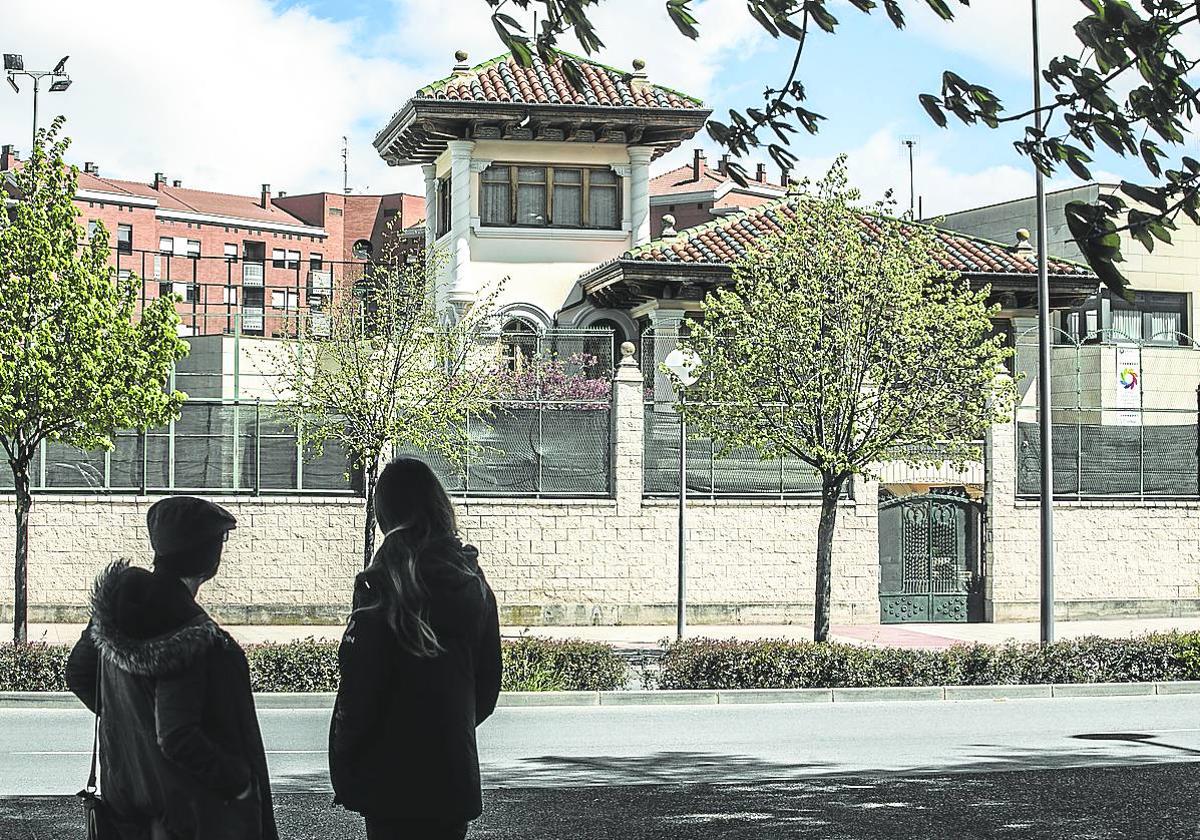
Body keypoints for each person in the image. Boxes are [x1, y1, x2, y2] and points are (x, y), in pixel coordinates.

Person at [66, 496, 277, 840]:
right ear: (210, 557)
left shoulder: (117, 610)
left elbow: (78, 673)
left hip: (127, 804)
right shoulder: (188, 632)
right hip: (186, 816)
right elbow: (178, 735)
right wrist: (237, 781)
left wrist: (134, 726)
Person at [329, 457, 502, 840]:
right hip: (450, 777)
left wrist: (348, 760)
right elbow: (487, 687)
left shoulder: (379, 584)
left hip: (390, 781)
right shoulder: (472, 581)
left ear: (384, 514)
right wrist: (444, 725)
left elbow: (359, 693)